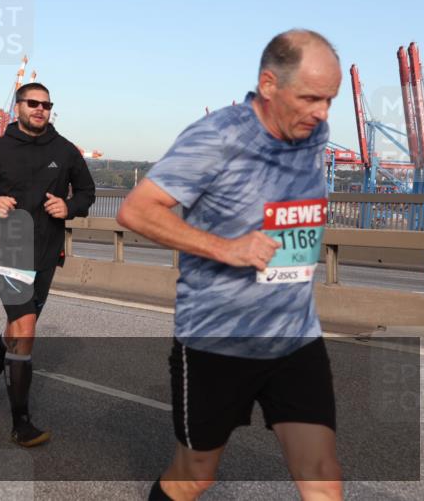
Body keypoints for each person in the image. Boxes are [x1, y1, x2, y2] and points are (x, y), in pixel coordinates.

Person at [115, 30, 343, 501]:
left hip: (294, 336)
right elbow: (137, 210)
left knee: (321, 474)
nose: (322, 113)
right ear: (269, 84)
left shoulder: (313, 133)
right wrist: (227, 248)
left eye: (329, 100)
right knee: (195, 476)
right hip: (217, 338)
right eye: (310, 98)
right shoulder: (217, 137)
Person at [0, 82, 95, 448]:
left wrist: (70, 207)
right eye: (33, 103)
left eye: (46, 104)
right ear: (18, 106)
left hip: (47, 252)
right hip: (8, 250)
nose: (40, 109)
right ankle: (22, 423)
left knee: (18, 327)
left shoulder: (65, 151)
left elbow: (87, 192)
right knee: (27, 328)